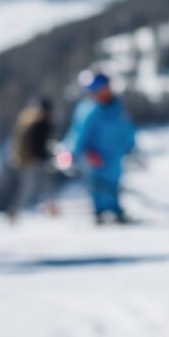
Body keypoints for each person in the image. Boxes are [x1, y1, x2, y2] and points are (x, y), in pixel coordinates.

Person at [59, 70, 136, 225]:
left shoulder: (118, 107)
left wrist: (129, 145)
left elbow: (127, 128)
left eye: (103, 89)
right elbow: (78, 133)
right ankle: (100, 211)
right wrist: (72, 152)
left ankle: (115, 209)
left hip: (115, 155)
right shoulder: (88, 111)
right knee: (99, 185)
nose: (101, 93)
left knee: (114, 182)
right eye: (97, 90)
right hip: (96, 157)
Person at [6, 97, 58, 222]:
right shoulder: (38, 123)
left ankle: (15, 211)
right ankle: (49, 208)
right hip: (32, 160)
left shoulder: (28, 120)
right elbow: (37, 144)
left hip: (25, 159)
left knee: (31, 186)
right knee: (34, 186)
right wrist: (43, 158)